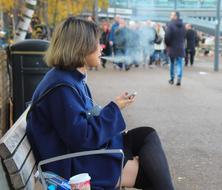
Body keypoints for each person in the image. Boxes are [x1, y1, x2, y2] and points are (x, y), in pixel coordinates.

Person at [26, 17, 174, 190]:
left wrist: (115, 106)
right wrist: (114, 109)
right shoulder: (62, 87)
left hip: (80, 154)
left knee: (146, 135)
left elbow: (83, 124)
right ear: (81, 47)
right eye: (96, 43)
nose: (100, 48)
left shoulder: (68, 78)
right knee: (150, 175)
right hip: (74, 166)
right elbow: (84, 137)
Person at [165, 11, 186, 86]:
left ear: (175, 16)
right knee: (180, 63)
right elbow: (184, 36)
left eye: (171, 15)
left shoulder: (170, 25)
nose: (170, 16)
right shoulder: (183, 25)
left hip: (172, 47)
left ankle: (172, 78)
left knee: (172, 64)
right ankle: (179, 78)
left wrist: (168, 45)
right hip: (180, 47)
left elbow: (167, 37)